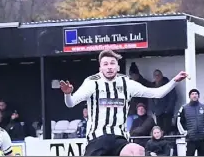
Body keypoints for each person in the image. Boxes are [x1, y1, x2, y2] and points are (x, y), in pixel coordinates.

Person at [59, 50, 188, 156]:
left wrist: (175, 81)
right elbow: (71, 103)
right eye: (105, 64)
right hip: (97, 140)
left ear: (118, 66)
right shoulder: (92, 83)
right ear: (100, 68)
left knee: (137, 151)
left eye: (112, 63)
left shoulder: (126, 83)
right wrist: (67, 94)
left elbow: (157, 93)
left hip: (118, 139)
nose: (109, 67)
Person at [176, 89, 204, 156]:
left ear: (198, 96)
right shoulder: (184, 108)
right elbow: (179, 121)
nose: (194, 95)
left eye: (196, 94)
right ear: (189, 96)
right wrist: (184, 133)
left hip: (203, 139)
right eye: (192, 94)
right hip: (191, 139)